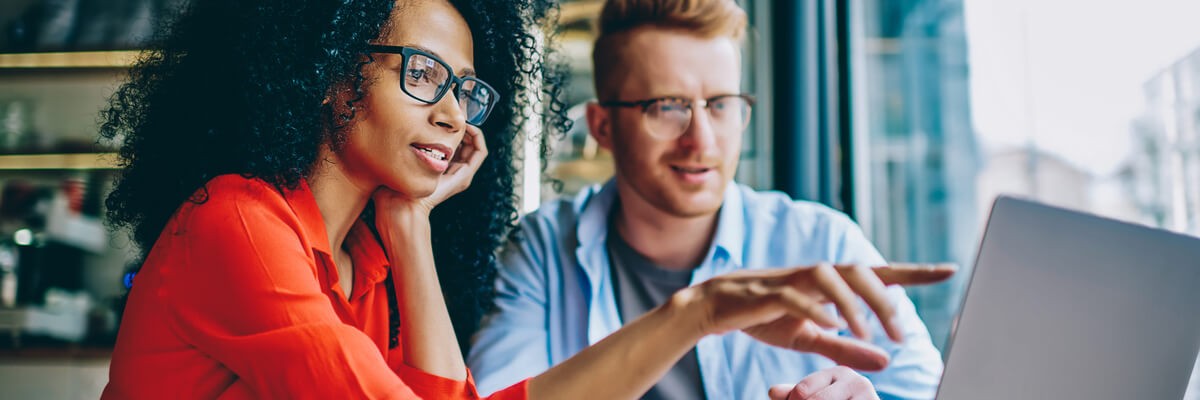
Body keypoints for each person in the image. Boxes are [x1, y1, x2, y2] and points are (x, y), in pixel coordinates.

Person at [101, 0, 951, 398]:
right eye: (422, 73)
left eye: (466, 89)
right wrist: (697, 312)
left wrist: (408, 223)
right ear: (327, 73)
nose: (449, 110)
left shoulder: (365, 260)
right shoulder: (241, 224)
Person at [467, 0, 949, 399]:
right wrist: (695, 314)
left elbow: (931, 391)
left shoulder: (821, 239)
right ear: (603, 127)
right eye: (667, 107)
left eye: (720, 106)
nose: (702, 141)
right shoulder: (543, 249)